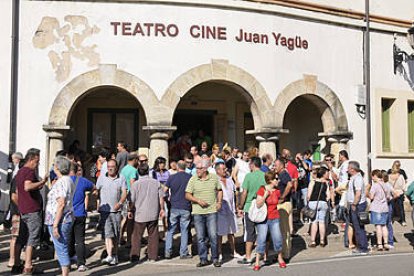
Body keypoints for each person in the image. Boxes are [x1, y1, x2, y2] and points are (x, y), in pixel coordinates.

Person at [14, 148, 48, 275]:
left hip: (23, 209)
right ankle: (28, 266)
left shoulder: (20, 172)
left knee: (21, 237)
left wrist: (38, 185)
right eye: (37, 161)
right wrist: (43, 181)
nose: (38, 163)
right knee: (32, 238)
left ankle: (17, 264)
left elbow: (19, 191)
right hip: (32, 209)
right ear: (32, 159)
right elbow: (27, 186)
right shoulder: (29, 171)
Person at [185, 159, 223, 268]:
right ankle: (203, 259)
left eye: (199, 168)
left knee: (213, 235)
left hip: (211, 211)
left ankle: (215, 258)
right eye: (196, 168)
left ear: (205, 169)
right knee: (200, 237)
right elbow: (187, 195)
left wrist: (219, 202)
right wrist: (197, 200)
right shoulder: (193, 179)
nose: (197, 170)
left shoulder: (214, 178)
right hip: (198, 212)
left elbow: (219, 190)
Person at [44, 156, 75, 276]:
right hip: (65, 218)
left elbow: (61, 203)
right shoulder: (68, 180)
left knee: (61, 247)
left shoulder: (62, 182)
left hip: (59, 219)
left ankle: (64, 273)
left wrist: (55, 224)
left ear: (57, 167)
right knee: (62, 246)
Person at [129, 163, 164, 263]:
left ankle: (135, 256)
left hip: (140, 213)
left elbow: (132, 200)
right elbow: (161, 198)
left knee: (136, 236)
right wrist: (161, 209)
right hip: (153, 212)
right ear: (148, 171)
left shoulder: (135, 184)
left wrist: (130, 210)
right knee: (153, 235)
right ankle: (152, 256)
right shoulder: (156, 183)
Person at [253, 171, 286, 271]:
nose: (278, 180)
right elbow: (258, 204)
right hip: (263, 219)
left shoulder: (277, 191)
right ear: (270, 180)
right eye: (276, 179)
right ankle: (257, 261)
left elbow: (279, 201)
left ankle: (280, 257)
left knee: (277, 238)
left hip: (274, 217)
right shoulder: (262, 189)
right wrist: (265, 196)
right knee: (261, 239)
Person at [97, 159, 128, 265]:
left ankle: (114, 255)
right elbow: (96, 190)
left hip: (116, 211)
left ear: (116, 168)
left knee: (115, 234)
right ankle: (110, 255)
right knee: (107, 233)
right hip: (105, 211)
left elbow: (125, 192)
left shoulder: (121, 178)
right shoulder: (101, 178)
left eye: (112, 167)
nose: (110, 168)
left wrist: (120, 203)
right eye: (108, 166)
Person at [238, 157, 266, 264]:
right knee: (262, 231)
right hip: (262, 205)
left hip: (249, 206)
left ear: (253, 165)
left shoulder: (248, 176)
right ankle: (264, 255)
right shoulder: (264, 175)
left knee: (249, 232)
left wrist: (240, 205)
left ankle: (248, 256)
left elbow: (244, 192)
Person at [69, 162, 95, 272]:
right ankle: (81, 263)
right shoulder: (83, 181)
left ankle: (68, 261)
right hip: (80, 213)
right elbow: (94, 187)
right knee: (80, 240)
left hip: (67, 214)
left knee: (68, 239)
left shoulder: (63, 181)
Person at [164, 160, 192, 259]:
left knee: (171, 230)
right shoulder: (190, 177)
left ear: (177, 166)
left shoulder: (171, 177)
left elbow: (164, 191)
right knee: (184, 230)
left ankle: (168, 251)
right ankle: (183, 252)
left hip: (174, 206)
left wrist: (167, 199)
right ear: (185, 167)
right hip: (186, 206)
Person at [215, 162, 240, 261]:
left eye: (225, 169)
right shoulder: (215, 181)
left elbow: (234, 194)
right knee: (220, 232)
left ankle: (234, 251)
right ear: (218, 171)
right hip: (220, 210)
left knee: (231, 231)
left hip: (231, 209)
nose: (225, 170)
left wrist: (237, 207)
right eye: (223, 169)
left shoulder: (230, 180)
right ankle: (219, 252)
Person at [366, 170, 391, 251]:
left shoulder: (375, 185)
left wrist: (367, 191)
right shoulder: (386, 185)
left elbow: (371, 197)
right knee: (384, 226)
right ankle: (386, 243)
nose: (372, 178)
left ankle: (380, 244)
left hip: (376, 208)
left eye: (372, 176)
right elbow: (388, 197)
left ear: (375, 176)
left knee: (378, 226)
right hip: (385, 207)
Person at [347, 161, 368, 254]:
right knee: (357, 227)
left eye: (348, 168)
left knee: (358, 227)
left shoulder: (358, 179)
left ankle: (362, 248)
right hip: (357, 204)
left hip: (358, 205)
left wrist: (354, 204)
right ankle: (361, 246)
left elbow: (358, 193)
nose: (347, 170)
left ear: (352, 169)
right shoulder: (355, 178)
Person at [274, 158, 293, 259]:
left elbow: (290, 184)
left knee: (284, 230)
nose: (274, 167)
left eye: (276, 165)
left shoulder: (284, 174)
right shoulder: (280, 175)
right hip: (283, 203)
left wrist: (282, 197)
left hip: (284, 204)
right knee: (283, 230)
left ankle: (286, 255)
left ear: (281, 166)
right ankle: (283, 253)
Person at [307, 167, 331, 247]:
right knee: (322, 222)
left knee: (314, 222)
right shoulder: (326, 183)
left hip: (313, 203)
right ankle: (322, 241)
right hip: (323, 203)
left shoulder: (312, 182)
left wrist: (308, 202)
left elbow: (308, 195)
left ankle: (313, 241)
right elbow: (328, 196)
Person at [119, 153, 138, 247]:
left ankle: (121, 236)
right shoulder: (133, 170)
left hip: (123, 195)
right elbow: (133, 184)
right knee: (130, 219)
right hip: (130, 197)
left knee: (125, 218)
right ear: (134, 160)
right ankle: (129, 240)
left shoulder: (124, 169)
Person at [151, 156, 170, 239]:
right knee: (156, 215)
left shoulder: (167, 172)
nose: (163, 165)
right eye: (161, 163)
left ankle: (166, 232)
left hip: (166, 196)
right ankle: (157, 234)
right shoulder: (153, 172)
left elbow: (169, 182)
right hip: (156, 196)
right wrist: (162, 185)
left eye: (164, 163)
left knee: (165, 214)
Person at [281, 149, 298, 237]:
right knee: (289, 211)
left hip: (284, 191)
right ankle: (290, 229)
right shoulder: (293, 167)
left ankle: (289, 229)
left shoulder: (286, 167)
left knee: (287, 211)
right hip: (288, 191)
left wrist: (294, 190)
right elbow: (295, 180)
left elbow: (295, 180)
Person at [389, 162, 407, 226]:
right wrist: (402, 192)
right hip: (400, 193)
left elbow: (388, 186)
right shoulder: (401, 176)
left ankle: (391, 220)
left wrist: (393, 192)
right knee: (401, 208)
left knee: (391, 207)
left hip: (392, 193)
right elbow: (404, 186)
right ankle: (403, 221)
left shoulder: (389, 176)